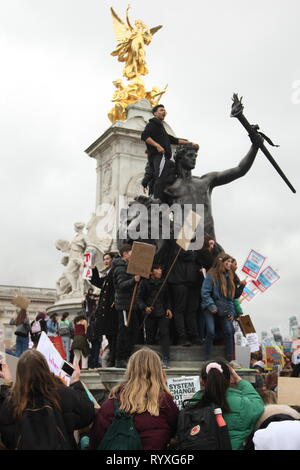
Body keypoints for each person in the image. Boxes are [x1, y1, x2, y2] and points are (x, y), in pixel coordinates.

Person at [0, 349, 94, 450]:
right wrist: (75, 382)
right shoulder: (63, 394)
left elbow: (7, 437)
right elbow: (88, 414)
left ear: (19, 374)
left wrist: (7, 384)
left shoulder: (12, 403)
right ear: (45, 368)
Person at [89, 348, 179, 450]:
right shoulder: (165, 402)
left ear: (130, 370)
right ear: (158, 371)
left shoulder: (112, 402)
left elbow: (96, 439)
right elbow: (177, 431)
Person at [192, 359, 264, 450]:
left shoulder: (192, 404)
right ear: (229, 380)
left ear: (202, 382)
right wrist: (238, 379)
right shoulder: (243, 403)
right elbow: (257, 403)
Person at [141, 104, 199, 200]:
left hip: (165, 158)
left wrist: (190, 143)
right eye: (161, 110)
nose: (164, 112)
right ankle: (157, 199)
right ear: (155, 113)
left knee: (175, 169)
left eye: (164, 110)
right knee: (161, 176)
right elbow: (144, 136)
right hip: (159, 156)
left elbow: (174, 140)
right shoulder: (152, 124)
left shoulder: (160, 128)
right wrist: (157, 146)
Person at [201, 253, 236, 361]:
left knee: (230, 331)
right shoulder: (211, 275)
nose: (230, 264)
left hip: (223, 308)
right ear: (221, 262)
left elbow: (230, 298)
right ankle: (207, 358)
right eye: (228, 261)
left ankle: (230, 360)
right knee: (210, 331)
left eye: (231, 262)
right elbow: (204, 292)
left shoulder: (229, 277)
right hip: (210, 307)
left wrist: (232, 312)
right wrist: (211, 306)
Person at [137, 264, 173, 367]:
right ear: (151, 271)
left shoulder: (164, 282)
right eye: (157, 269)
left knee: (164, 334)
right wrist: (144, 307)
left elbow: (167, 298)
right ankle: (149, 361)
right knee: (150, 337)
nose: (160, 271)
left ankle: (166, 358)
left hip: (162, 312)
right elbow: (139, 298)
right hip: (150, 314)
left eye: (161, 269)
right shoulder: (144, 283)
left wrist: (169, 308)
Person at [167, 244, 203, 346]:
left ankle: (194, 335)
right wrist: (193, 253)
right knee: (180, 310)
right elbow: (182, 253)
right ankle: (182, 337)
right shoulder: (178, 242)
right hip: (180, 281)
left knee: (191, 311)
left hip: (193, 282)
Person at [113, 244, 141, 368]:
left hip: (131, 304)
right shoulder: (120, 268)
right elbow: (121, 285)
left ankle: (128, 356)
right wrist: (133, 280)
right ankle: (120, 358)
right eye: (131, 252)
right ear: (125, 253)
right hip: (124, 305)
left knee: (133, 331)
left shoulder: (129, 266)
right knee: (124, 331)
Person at [90, 252, 118, 367]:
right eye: (104, 259)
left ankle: (113, 358)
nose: (105, 261)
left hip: (111, 310)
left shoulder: (114, 272)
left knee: (113, 336)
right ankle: (112, 357)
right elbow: (98, 283)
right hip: (106, 311)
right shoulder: (108, 273)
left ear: (113, 260)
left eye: (107, 259)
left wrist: (113, 303)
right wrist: (94, 270)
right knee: (109, 336)